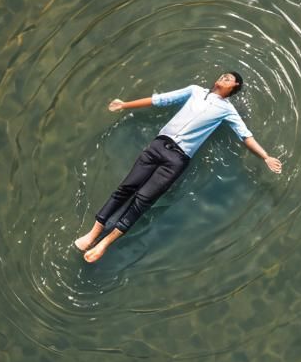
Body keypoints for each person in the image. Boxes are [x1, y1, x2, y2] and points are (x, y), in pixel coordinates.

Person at [75, 72, 283, 263]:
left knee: (142, 201)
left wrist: (265, 156)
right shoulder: (195, 90)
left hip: (177, 159)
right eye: (223, 75)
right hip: (157, 146)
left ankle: (105, 243)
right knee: (126, 188)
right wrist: (125, 105)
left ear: (234, 87)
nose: (224, 77)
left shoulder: (228, 111)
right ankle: (94, 233)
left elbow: (245, 136)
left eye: (229, 78)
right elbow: (161, 99)